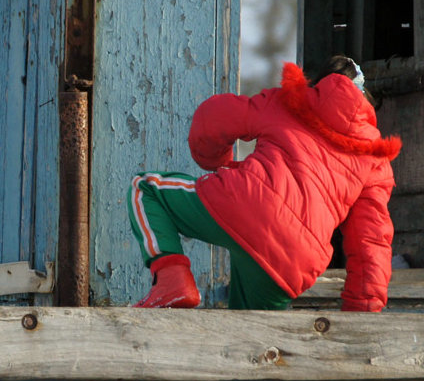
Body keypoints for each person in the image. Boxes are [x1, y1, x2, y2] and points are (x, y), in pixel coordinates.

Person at [128, 56, 402, 312]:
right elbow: (371, 242)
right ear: (368, 101)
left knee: (147, 191)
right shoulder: (375, 160)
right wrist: (361, 311)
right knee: (251, 343)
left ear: (320, 83)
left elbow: (212, 118)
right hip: (295, 259)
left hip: (246, 202)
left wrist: (218, 164)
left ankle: (172, 279)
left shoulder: (290, 101)